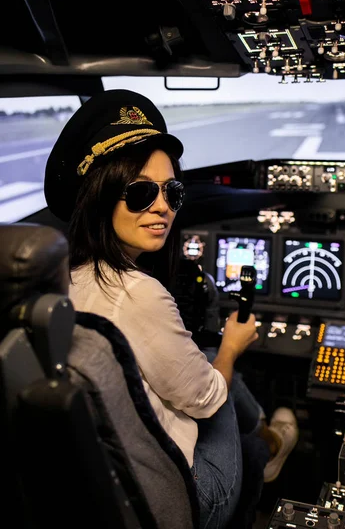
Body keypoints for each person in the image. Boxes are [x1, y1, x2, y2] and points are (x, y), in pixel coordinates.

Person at [44, 89, 298, 529]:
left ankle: (264, 438)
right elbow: (205, 398)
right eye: (141, 193)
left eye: (171, 192)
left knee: (202, 359)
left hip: (107, 489)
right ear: (101, 197)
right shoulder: (138, 294)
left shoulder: (65, 276)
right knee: (216, 374)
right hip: (182, 501)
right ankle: (268, 445)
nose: (162, 206)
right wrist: (232, 348)